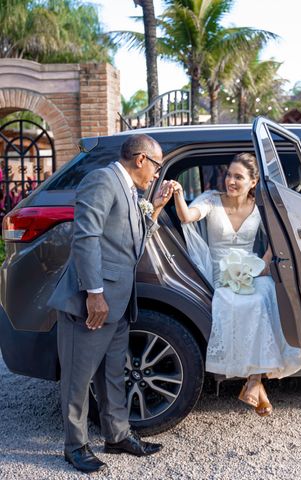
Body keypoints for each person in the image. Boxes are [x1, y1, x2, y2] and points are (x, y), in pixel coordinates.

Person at [47, 134, 174, 474]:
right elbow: (85, 237)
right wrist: (95, 293)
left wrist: (156, 208)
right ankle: (75, 446)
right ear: (141, 160)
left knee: (112, 374)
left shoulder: (132, 191)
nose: (156, 174)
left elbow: (129, 243)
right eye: (157, 165)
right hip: (92, 302)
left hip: (118, 303)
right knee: (78, 378)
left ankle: (117, 436)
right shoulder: (101, 180)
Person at [171, 152, 301, 417]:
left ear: (253, 182)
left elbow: (275, 239)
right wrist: (177, 193)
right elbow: (188, 216)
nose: (230, 181)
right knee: (239, 302)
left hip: (250, 269)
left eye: (238, 177)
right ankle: (256, 383)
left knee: (266, 292)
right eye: (228, 174)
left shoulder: (260, 206)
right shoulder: (211, 200)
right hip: (219, 273)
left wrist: (265, 264)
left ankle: (255, 382)